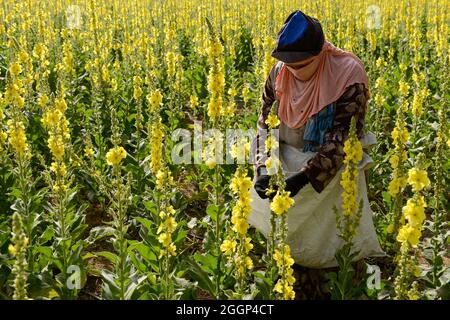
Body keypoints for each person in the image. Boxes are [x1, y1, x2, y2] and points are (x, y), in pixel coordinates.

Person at [249, 10, 385, 274]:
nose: (293, 71)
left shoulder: (347, 75)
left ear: (319, 53)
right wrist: (262, 167)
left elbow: (342, 139)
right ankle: (292, 265)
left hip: (331, 166)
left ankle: (335, 273)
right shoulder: (279, 72)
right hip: (287, 155)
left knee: (330, 235)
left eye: (301, 64)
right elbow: (264, 123)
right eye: (289, 64)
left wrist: (302, 179)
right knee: (287, 235)